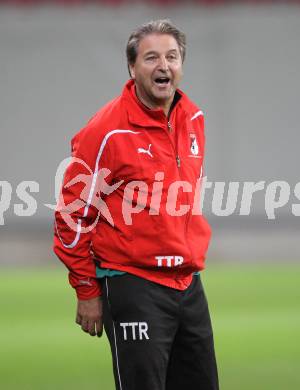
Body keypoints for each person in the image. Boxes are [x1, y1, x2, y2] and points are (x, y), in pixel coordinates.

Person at [54, 19, 219, 390]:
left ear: (181, 64)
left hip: (189, 283)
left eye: (172, 57)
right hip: (133, 284)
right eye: (151, 58)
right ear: (132, 67)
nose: (164, 66)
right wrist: (87, 290)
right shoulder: (106, 130)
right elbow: (71, 216)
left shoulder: (194, 118)